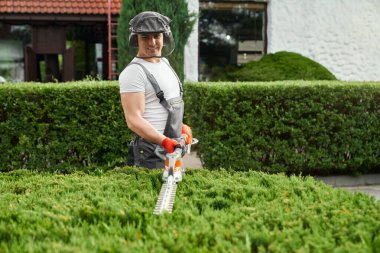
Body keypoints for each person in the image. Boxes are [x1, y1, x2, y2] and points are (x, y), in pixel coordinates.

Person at [119, 11, 192, 171]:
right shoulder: (134, 72)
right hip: (150, 155)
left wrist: (180, 127)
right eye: (145, 37)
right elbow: (133, 120)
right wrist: (164, 141)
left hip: (172, 150)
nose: (152, 42)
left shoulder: (165, 64)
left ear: (164, 37)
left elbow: (162, 109)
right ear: (136, 39)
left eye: (157, 36)